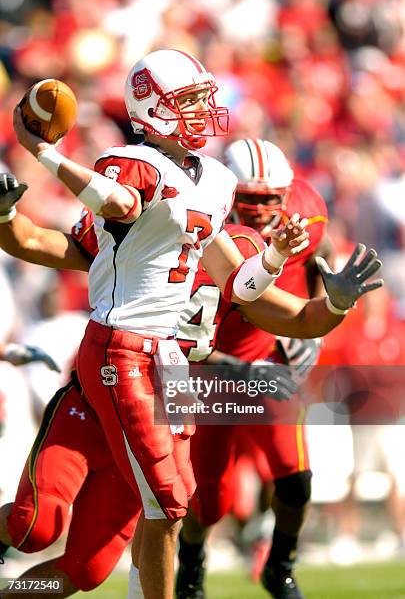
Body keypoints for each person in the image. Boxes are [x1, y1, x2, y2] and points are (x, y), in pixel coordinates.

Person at [0, 157, 381, 599]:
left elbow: (292, 315)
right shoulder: (137, 228)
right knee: (35, 525)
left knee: (87, 569)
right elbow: (35, 242)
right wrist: (7, 217)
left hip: (161, 406)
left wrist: (334, 307)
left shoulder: (235, 250)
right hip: (102, 395)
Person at [11, 48, 314, 599]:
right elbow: (118, 202)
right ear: (153, 107)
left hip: (171, 358)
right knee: (53, 524)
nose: (203, 110)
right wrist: (42, 152)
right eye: (190, 101)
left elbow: (239, 286)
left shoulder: (217, 181)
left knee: (114, 549)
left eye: (203, 99)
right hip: (122, 349)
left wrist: (273, 259)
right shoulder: (131, 161)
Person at [172, 138, 349, 599]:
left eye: (271, 199)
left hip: (269, 359)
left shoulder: (306, 208)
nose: (260, 209)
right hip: (205, 368)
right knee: (210, 499)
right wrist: (226, 364)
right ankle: (191, 565)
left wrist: (317, 320)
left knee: (296, 479)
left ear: (287, 193)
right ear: (230, 192)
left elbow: (320, 251)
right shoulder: (201, 222)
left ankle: (282, 566)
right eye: (249, 199)